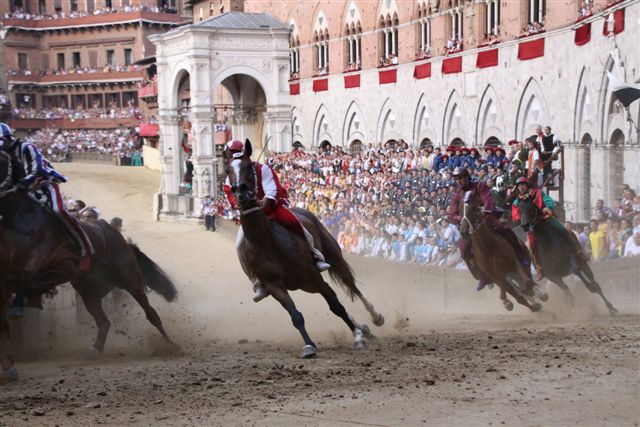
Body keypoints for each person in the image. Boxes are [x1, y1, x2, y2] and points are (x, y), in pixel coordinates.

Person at [223, 140, 331, 302]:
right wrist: (236, 203)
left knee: (296, 223)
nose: (231, 157)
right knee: (239, 246)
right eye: (230, 155)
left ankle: (315, 256)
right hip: (251, 218)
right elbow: (231, 197)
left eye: (232, 154)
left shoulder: (263, 168)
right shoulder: (230, 177)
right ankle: (257, 281)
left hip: (271, 209)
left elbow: (272, 189)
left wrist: (265, 201)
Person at [0, 123, 94, 268]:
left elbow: (36, 172)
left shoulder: (27, 148)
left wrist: (19, 186)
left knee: (59, 210)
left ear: (9, 140)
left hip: (43, 185)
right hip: (18, 190)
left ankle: (85, 250)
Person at [448, 167, 529, 291]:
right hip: (469, 226)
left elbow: (488, 199)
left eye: (460, 178)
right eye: (456, 179)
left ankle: (520, 255)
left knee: (504, 230)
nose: (458, 181)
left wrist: (486, 209)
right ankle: (482, 276)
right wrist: (462, 218)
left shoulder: (479, 186)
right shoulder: (458, 194)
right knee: (463, 250)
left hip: (485, 219)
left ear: (466, 177)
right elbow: (452, 213)